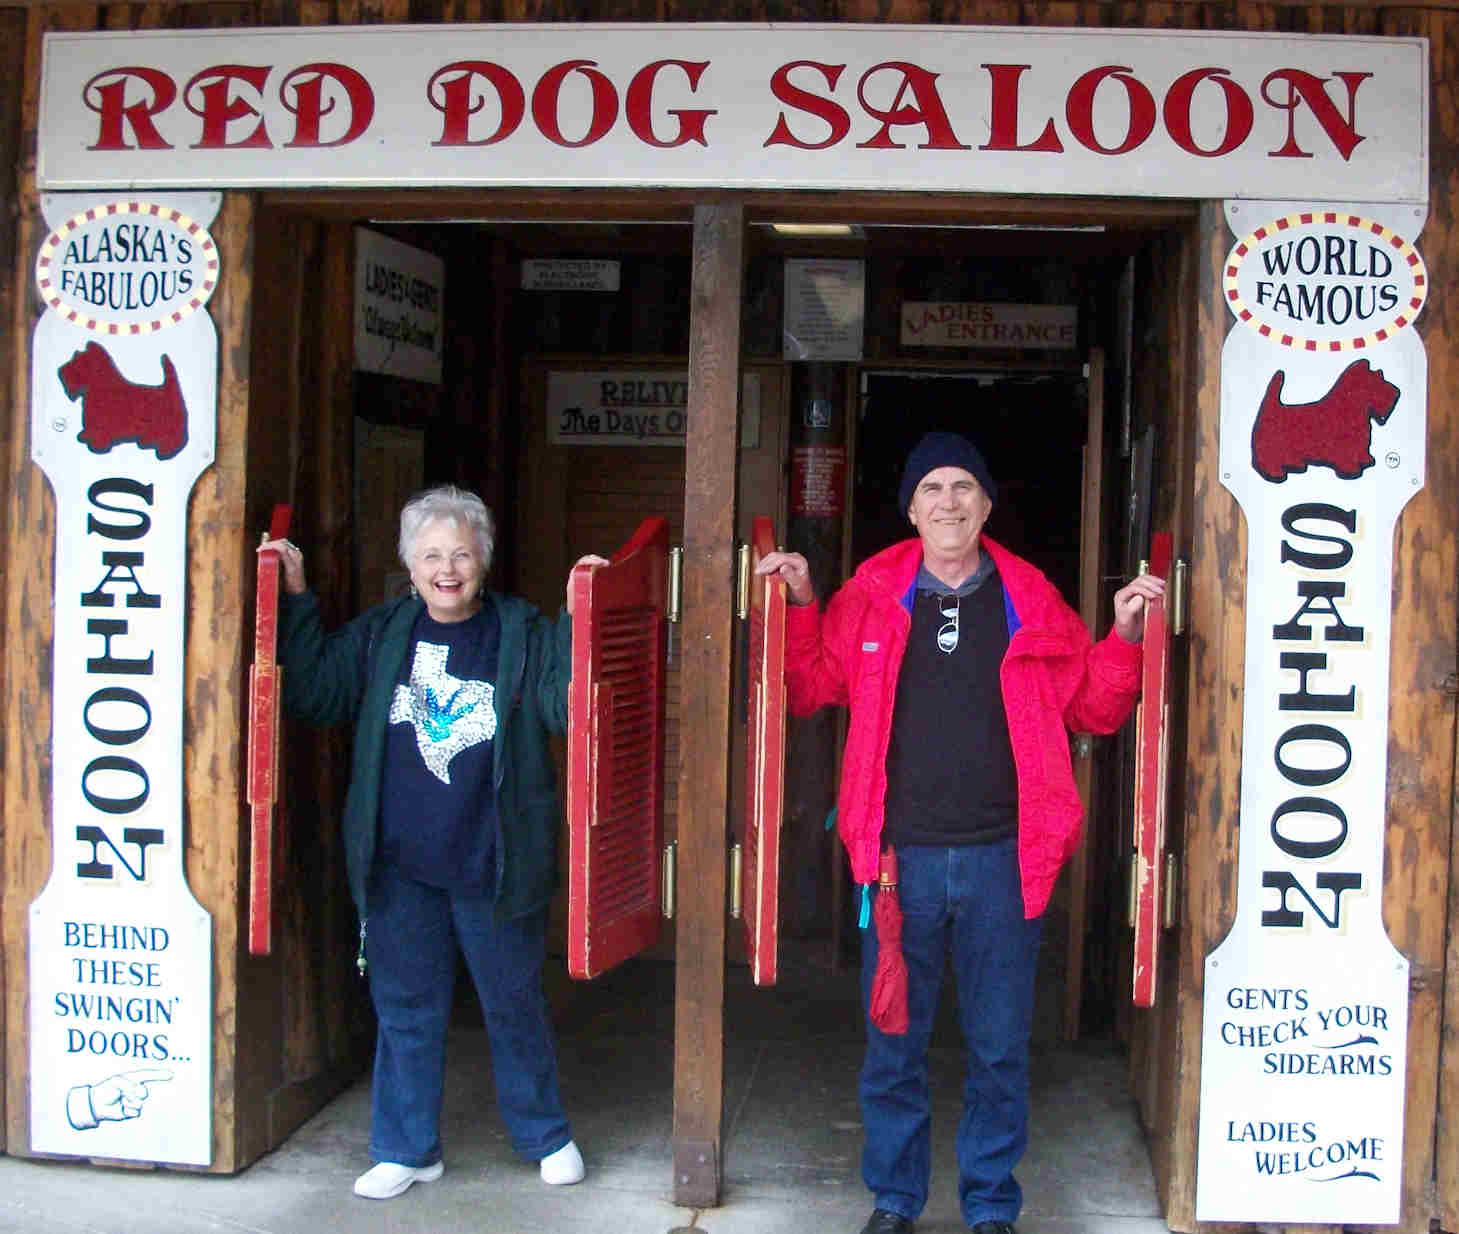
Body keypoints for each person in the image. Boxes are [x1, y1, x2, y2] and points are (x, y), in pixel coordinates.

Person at [756, 432, 1164, 1234]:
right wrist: (801, 603)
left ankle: (989, 1206)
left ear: (986, 504)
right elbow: (806, 689)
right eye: (931, 489)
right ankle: (894, 1201)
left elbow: (1092, 709)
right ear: (910, 510)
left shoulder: (1030, 599)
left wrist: (1123, 637)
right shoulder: (870, 596)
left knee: (999, 1050)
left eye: (962, 487)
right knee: (893, 1049)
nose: (948, 502)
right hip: (896, 862)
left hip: (1004, 861)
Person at [260, 485, 605, 1201]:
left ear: (484, 559)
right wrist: (293, 597)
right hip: (400, 866)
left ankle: (544, 1135)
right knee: (405, 1010)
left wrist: (582, 615)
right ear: (409, 566)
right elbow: (317, 693)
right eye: (431, 556)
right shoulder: (383, 633)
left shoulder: (521, 631)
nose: (447, 570)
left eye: (461, 555)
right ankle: (406, 1149)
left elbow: (560, 707)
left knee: (512, 1004)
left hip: (493, 862)